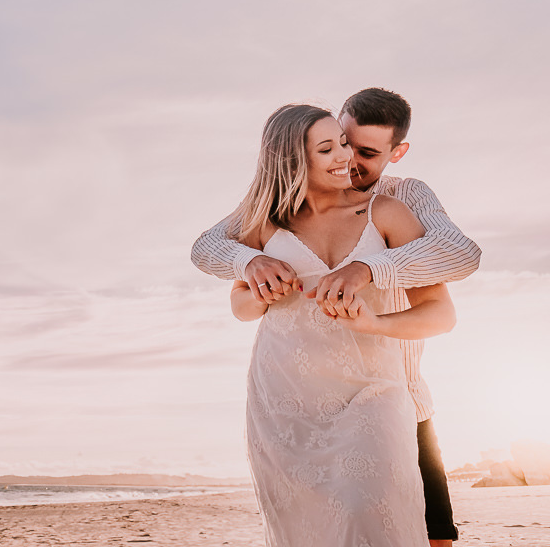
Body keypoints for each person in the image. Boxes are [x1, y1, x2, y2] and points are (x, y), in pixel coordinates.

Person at [192, 88, 480, 546]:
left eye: (361, 150)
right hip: (286, 399)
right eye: (335, 144)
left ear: (395, 153)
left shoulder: (397, 202)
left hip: (387, 391)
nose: (348, 157)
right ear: (292, 160)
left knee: (396, 521)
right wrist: (253, 271)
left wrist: (370, 281)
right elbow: (224, 276)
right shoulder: (268, 217)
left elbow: (457, 260)